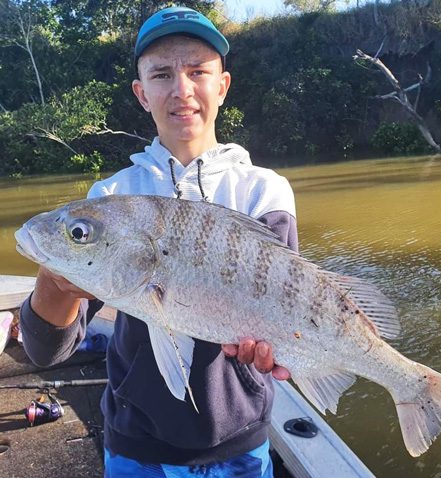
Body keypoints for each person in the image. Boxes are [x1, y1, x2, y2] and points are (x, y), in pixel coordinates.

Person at [20, 6, 298, 478]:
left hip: (242, 445)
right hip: (135, 447)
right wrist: (55, 280)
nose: (182, 89)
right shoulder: (107, 200)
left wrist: (274, 347)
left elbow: (288, 308)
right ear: (141, 92)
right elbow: (48, 352)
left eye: (198, 72)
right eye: (162, 74)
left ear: (223, 86)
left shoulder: (264, 191)